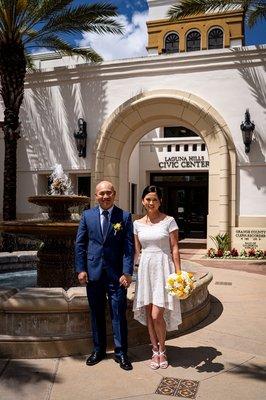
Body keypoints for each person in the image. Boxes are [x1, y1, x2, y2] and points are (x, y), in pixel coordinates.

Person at [75, 180, 134, 371]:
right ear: (96, 195)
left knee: (118, 313)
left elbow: (128, 248)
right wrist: (81, 269)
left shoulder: (124, 216)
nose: (105, 196)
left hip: (117, 276)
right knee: (97, 313)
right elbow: (80, 245)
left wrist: (127, 272)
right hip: (93, 274)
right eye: (101, 193)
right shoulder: (87, 215)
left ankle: (121, 353)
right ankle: (98, 350)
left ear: (114, 194)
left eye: (108, 193)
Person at [133, 185, 182, 369]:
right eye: (148, 199)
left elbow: (175, 248)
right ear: (143, 201)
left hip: (164, 267)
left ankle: (163, 349)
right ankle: (155, 350)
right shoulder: (136, 224)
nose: (151, 202)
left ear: (160, 201)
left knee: (156, 315)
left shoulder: (169, 221)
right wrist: (133, 274)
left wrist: (178, 274)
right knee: (148, 313)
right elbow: (137, 252)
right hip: (146, 268)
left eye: (155, 199)